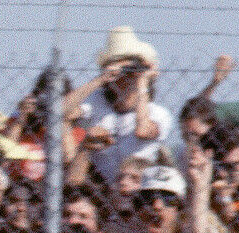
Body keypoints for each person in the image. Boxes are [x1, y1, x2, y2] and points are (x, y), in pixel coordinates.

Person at [63, 26, 180, 186]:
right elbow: (60, 112)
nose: (124, 78)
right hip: (101, 187)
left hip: (139, 187)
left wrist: (142, 82)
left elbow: (143, 131)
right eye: (120, 73)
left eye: (131, 71)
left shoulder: (159, 113)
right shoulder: (97, 101)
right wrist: (101, 79)